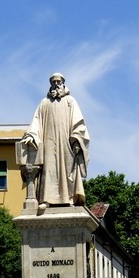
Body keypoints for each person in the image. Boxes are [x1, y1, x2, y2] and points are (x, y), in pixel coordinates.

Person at [21, 72, 90, 208]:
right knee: (49, 169)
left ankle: (69, 199)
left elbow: (79, 124)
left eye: (58, 82)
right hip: (49, 142)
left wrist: (76, 140)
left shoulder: (70, 101)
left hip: (66, 143)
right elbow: (36, 122)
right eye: (53, 82)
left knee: (67, 170)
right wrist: (31, 135)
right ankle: (46, 200)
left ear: (63, 83)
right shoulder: (44, 103)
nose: (56, 84)